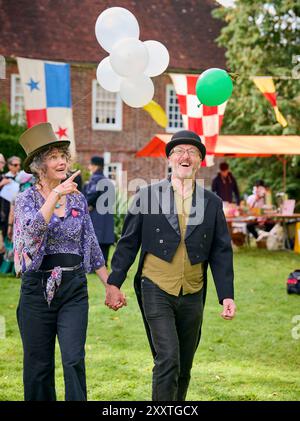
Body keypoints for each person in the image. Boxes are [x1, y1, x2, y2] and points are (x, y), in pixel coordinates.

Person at [105, 130, 236, 401]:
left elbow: (221, 251)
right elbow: (128, 243)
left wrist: (227, 295)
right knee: (168, 359)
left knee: (184, 366)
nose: (185, 156)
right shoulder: (147, 195)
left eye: (192, 152)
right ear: (170, 159)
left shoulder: (212, 203)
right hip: (156, 287)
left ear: (200, 160)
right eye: (179, 151)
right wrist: (114, 283)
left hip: (193, 291)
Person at [14, 122, 126, 401]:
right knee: (38, 365)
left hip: (73, 288)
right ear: (40, 165)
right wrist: (54, 195)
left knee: (74, 359)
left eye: (63, 155)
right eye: (53, 157)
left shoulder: (76, 200)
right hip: (36, 290)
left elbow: (90, 245)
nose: (62, 161)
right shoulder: (25, 199)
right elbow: (29, 235)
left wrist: (110, 285)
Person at [83, 156, 115, 266]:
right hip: (107, 216)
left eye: (90, 165)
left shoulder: (96, 179)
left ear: (95, 166)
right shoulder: (108, 181)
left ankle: (93, 266)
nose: (89, 167)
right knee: (104, 242)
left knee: (94, 240)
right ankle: (103, 264)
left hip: (96, 216)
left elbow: (91, 196)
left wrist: (88, 205)